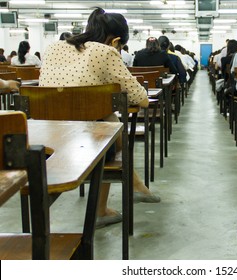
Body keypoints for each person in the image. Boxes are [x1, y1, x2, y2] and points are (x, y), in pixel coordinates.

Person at [39, 7, 160, 229]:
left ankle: (133, 186)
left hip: (45, 141)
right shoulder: (106, 52)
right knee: (109, 126)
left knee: (105, 118)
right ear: (115, 41)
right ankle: (107, 205)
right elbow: (141, 98)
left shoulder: (53, 48)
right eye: (122, 47)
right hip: (87, 146)